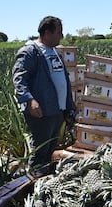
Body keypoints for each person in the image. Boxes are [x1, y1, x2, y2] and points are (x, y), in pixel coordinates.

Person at [13, 16, 76, 176]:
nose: (61, 36)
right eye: (59, 32)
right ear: (47, 32)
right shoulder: (30, 51)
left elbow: (64, 81)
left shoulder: (55, 52)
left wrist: (69, 106)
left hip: (57, 110)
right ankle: (32, 183)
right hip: (41, 111)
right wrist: (29, 100)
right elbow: (19, 78)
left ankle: (45, 180)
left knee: (49, 151)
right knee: (40, 151)